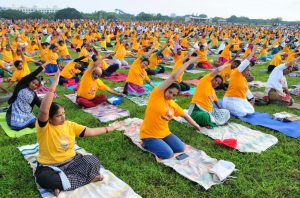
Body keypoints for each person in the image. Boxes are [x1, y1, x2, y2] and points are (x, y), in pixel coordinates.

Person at [34, 72, 123, 196]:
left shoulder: (70, 125)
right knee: (44, 179)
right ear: (49, 119)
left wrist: (110, 128)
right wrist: (54, 84)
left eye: (63, 113)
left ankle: (63, 184)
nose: (63, 117)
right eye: (58, 115)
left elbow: (90, 131)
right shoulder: (44, 127)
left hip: (72, 162)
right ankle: (80, 180)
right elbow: (44, 110)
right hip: (50, 167)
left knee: (93, 161)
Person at [140, 56, 201, 159]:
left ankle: (160, 142)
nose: (171, 96)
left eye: (174, 95)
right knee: (168, 154)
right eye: (170, 92)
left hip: (164, 133)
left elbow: (185, 115)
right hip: (149, 135)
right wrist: (188, 62)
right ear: (165, 89)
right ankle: (146, 144)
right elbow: (173, 77)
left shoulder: (172, 104)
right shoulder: (157, 94)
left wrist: (196, 125)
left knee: (180, 148)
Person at [188, 62, 236, 128]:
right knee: (204, 116)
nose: (216, 83)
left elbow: (216, 101)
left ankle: (211, 121)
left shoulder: (213, 91)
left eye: (218, 83)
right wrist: (225, 66)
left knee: (226, 112)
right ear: (212, 78)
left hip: (210, 111)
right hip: (197, 110)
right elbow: (217, 70)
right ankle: (211, 122)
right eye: (215, 80)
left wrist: (220, 109)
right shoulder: (205, 81)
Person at [6, 61, 50, 130]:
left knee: (35, 124)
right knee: (16, 126)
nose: (34, 85)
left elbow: (40, 104)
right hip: (15, 110)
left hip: (26, 113)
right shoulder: (21, 85)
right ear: (29, 81)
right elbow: (32, 75)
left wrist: (49, 109)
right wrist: (43, 66)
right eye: (33, 82)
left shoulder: (33, 94)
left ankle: (27, 123)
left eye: (36, 85)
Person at [222, 45, 258, 117]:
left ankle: (241, 109)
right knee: (242, 113)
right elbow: (246, 62)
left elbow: (246, 90)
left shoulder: (244, 79)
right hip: (231, 99)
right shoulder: (237, 72)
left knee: (251, 111)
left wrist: (252, 98)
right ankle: (229, 108)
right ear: (243, 69)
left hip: (241, 100)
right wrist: (253, 51)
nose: (249, 73)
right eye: (248, 70)